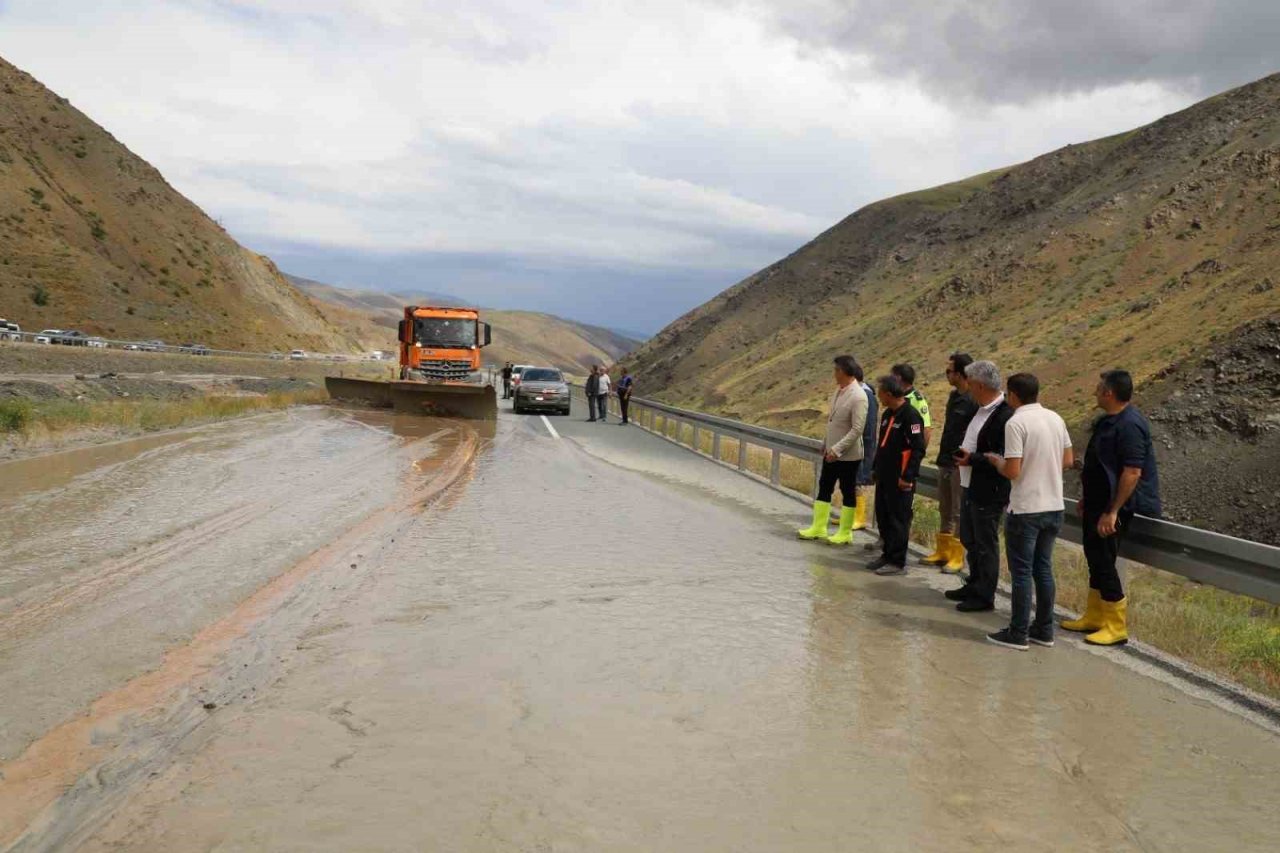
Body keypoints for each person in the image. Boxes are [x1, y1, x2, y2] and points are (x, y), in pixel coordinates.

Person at [1063, 369, 1162, 647]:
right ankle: (1095, 616)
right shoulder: (1109, 421)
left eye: (1098, 388)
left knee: (1105, 561)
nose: (1094, 392)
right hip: (1098, 503)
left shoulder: (1130, 425)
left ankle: (1115, 626)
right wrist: (1089, 498)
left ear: (1108, 392)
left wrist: (1113, 510)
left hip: (1114, 507)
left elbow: (1132, 472)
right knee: (1095, 558)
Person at [982, 373, 1073, 651]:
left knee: (1021, 573)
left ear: (1013, 395)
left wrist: (997, 462)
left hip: (1025, 508)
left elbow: (1012, 470)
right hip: (1054, 505)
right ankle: (1044, 629)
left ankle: (1018, 632)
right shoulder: (1055, 418)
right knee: (1043, 569)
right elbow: (1068, 460)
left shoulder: (1016, 422)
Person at [948, 361, 1013, 612]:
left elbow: (1003, 454)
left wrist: (972, 458)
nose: (969, 389)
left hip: (989, 488)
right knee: (969, 537)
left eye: (972, 384)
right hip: (970, 483)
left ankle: (985, 595)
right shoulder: (981, 408)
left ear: (981, 385)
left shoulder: (1005, 414)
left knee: (985, 544)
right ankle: (973, 584)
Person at [798, 356, 869, 545]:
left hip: (848, 455)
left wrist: (837, 449)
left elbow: (857, 429)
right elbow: (833, 422)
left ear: (845, 372)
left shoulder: (859, 396)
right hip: (831, 451)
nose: (834, 374)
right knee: (824, 487)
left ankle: (845, 532)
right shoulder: (839, 391)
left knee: (847, 490)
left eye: (837, 370)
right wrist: (826, 443)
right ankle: (818, 527)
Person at [922, 353, 977, 572]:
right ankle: (942, 550)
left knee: (957, 510)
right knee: (944, 508)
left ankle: (957, 555)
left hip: (960, 464)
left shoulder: (973, 399)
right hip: (945, 460)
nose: (946, 375)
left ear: (961, 373)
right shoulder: (954, 396)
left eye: (949, 371)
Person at [868, 375, 926, 575]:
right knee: (883, 516)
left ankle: (897, 561)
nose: (880, 397)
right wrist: (875, 468)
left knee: (898, 519)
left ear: (890, 394)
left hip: (901, 479)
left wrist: (908, 476)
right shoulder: (887, 415)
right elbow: (882, 445)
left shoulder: (911, 416)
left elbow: (918, 449)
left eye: (882, 393)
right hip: (884, 476)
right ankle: (887, 554)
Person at [852, 362, 878, 531]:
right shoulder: (857, 393)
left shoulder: (866, 395)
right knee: (851, 482)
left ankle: (859, 517)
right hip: (854, 445)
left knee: (857, 481)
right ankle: (851, 515)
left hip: (861, 447)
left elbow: (867, 427)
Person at [891, 363, 932, 448]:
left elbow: (926, 429)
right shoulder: (896, 398)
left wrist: (919, 454)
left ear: (899, 378)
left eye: (892, 377)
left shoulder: (916, 400)